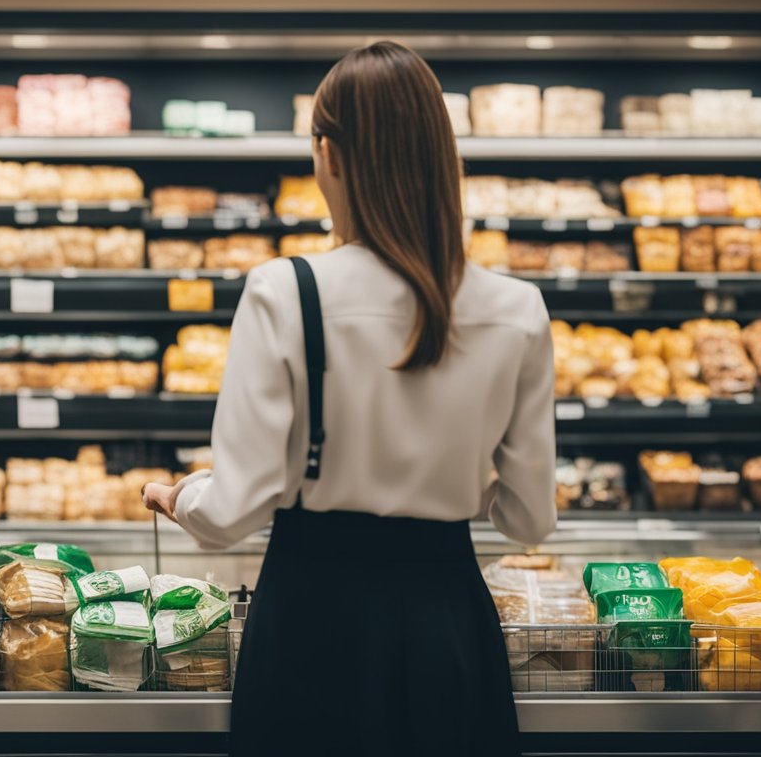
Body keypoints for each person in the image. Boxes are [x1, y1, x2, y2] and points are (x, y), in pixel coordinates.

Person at [143, 41, 556, 756]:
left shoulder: (285, 289)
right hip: (447, 617)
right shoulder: (516, 307)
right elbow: (529, 519)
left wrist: (176, 495)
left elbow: (234, 510)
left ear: (328, 154)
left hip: (313, 618)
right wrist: (457, 479)